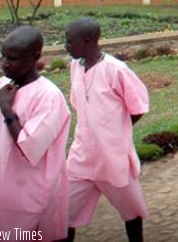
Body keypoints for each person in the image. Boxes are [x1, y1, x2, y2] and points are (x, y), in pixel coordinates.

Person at [0, 26, 70, 241]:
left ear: (35, 57)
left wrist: (7, 110)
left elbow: (28, 147)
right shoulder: (2, 85)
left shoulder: (49, 97)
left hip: (32, 194)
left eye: (13, 58)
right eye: (3, 56)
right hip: (2, 188)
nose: (5, 63)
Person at [64, 18, 149, 241]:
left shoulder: (116, 70)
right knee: (63, 211)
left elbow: (138, 105)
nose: (66, 47)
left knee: (131, 211)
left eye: (69, 41)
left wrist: (116, 129)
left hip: (113, 156)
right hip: (82, 155)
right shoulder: (75, 66)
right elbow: (80, 103)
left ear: (88, 40)